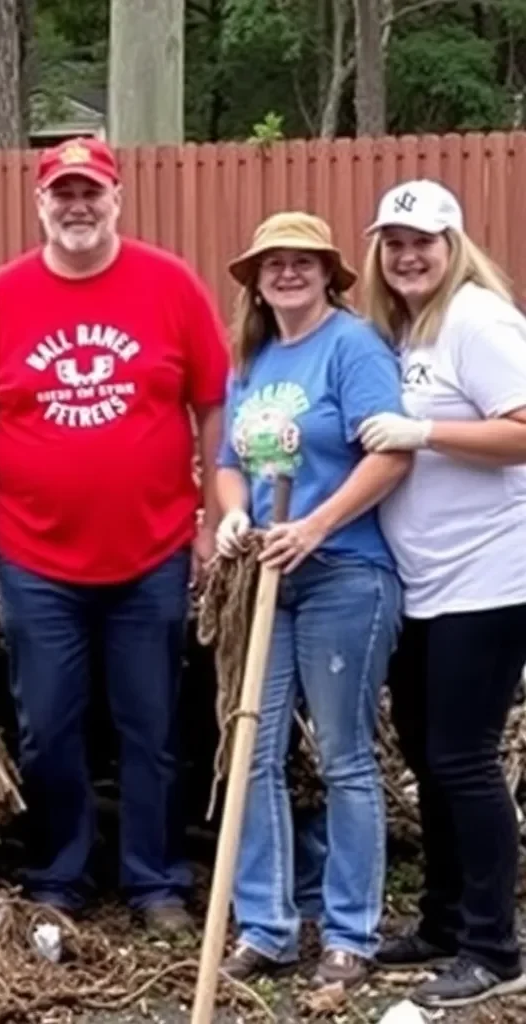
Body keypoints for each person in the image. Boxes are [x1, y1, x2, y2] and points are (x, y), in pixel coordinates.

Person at [0, 137, 229, 935]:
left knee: (151, 723)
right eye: (62, 194)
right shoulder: (1, 298)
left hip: (152, 552)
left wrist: (207, 515)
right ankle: (58, 873)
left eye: (90, 191)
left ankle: (154, 879)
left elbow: (211, 405)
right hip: (38, 558)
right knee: (49, 723)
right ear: (40, 204)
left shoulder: (170, 286)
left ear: (116, 198)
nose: (77, 206)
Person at [213, 212, 408, 989]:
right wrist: (233, 513)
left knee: (342, 758)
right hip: (267, 579)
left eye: (303, 262)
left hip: (345, 573)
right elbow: (230, 461)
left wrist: (316, 524)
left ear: (330, 273)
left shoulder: (354, 347)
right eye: (273, 264)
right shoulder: (253, 358)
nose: (287, 273)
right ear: (256, 280)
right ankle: (268, 927)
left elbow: (390, 452)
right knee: (252, 753)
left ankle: (351, 934)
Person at [358, 180, 526, 1008]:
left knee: (463, 757)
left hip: (491, 576)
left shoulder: (477, 320)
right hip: (423, 583)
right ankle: (445, 918)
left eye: (422, 241)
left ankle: (496, 946)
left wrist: (426, 431)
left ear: (454, 245)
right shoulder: (402, 331)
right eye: (393, 243)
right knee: (429, 755)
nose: (407, 255)